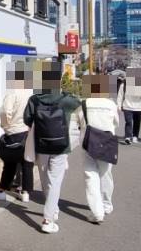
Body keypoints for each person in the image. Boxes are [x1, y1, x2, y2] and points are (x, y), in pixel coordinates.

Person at [23, 61, 81, 234]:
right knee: (55, 180)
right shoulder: (65, 99)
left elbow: (27, 119)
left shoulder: (34, 99)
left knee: (45, 180)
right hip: (61, 146)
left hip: (41, 145)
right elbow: (78, 104)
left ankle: (52, 209)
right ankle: (48, 219)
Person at [0, 62, 33, 203]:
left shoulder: (13, 92)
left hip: (15, 131)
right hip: (28, 131)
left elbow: (5, 111)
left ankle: (1, 191)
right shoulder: (30, 92)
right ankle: (25, 192)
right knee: (26, 163)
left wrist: (6, 125)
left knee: (9, 162)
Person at [79, 75, 119, 223]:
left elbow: (79, 121)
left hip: (88, 143)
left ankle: (97, 212)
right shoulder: (111, 104)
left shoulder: (84, 103)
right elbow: (116, 122)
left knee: (91, 176)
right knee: (105, 174)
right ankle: (106, 205)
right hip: (106, 143)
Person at [117, 67, 141, 145]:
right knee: (128, 122)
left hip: (138, 107)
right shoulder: (124, 85)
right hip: (127, 106)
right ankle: (128, 137)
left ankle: (135, 136)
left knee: (137, 122)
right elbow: (120, 95)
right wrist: (119, 106)